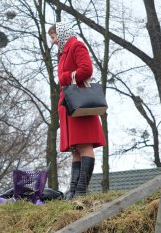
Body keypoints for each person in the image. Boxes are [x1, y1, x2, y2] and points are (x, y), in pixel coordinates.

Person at [48, 22, 106, 198]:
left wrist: (65, 77)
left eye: (54, 37)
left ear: (62, 33)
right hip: (70, 105)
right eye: (52, 38)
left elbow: (86, 70)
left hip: (80, 103)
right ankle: (73, 189)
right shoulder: (64, 51)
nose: (54, 41)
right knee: (75, 148)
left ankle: (81, 190)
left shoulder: (76, 45)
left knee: (85, 145)